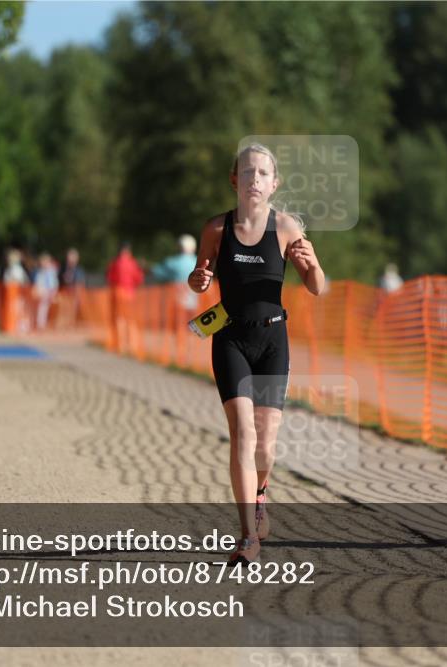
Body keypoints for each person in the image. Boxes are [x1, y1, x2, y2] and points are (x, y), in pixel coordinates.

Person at [188, 143, 326, 564]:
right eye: (246, 173)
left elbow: (317, 286)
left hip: (272, 342)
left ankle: (261, 492)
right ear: (234, 179)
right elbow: (200, 281)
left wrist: (314, 261)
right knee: (243, 436)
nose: (254, 180)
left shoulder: (285, 228)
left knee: (266, 446)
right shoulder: (216, 228)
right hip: (230, 339)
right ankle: (248, 536)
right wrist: (199, 277)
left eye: (262, 174)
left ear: (274, 183)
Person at [105, 242, 145, 353]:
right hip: (130, 294)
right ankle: (132, 345)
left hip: (118, 293)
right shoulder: (133, 263)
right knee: (131, 320)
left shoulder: (115, 263)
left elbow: (109, 277)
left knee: (119, 319)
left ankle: (120, 344)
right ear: (129, 251)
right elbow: (139, 278)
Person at [33, 253, 59, 330]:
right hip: (43, 291)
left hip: (47, 292)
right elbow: (38, 282)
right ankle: (40, 324)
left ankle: (41, 324)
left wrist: (52, 293)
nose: (42, 263)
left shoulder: (50, 271)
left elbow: (52, 283)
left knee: (43, 308)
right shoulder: (42, 271)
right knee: (42, 308)